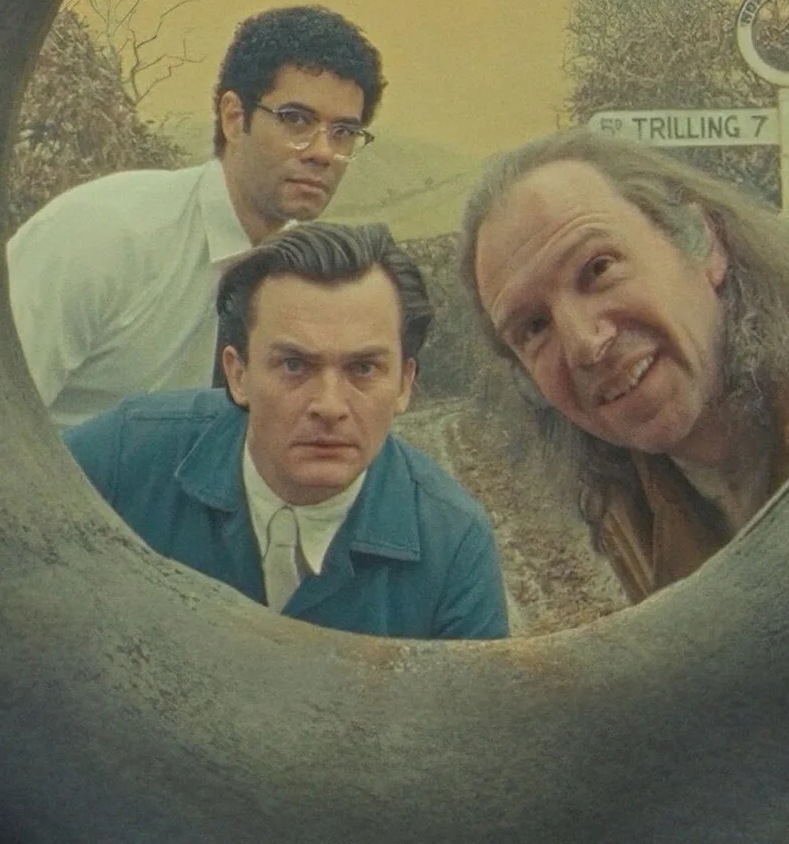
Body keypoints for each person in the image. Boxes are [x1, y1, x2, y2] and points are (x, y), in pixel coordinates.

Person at [458, 130, 789, 604]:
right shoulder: (622, 495)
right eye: (533, 327)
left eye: (599, 269)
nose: (584, 345)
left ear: (702, 242)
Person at [63, 222, 509, 639]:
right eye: (294, 365)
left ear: (404, 384)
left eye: (363, 368)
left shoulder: (454, 546)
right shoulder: (124, 455)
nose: (329, 406)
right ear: (238, 374)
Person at [7, 5, 386, 429]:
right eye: (296, 120)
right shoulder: (105, 234)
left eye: (343, 132)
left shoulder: (302, 275)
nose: (322, 152)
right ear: (233, 117)